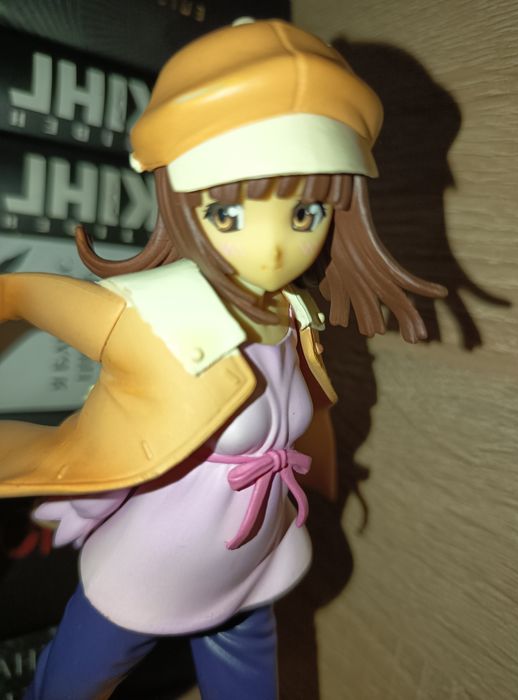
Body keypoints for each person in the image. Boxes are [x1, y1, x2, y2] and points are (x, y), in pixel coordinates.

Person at [0, 19, 446, 700]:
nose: (275, 248)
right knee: (72, 685)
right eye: (229, 214)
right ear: (179, 201)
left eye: (305, 215)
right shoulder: (147, 315)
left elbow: (307, 416)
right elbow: (23, 294)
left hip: (250, 563)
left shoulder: (294, 315)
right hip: (154, 565)